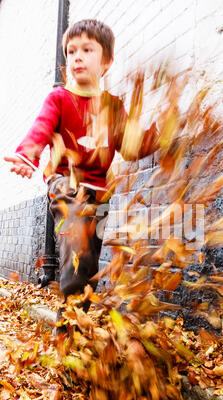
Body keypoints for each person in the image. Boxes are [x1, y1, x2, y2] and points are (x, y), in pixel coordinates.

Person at [4, 19, 160, 337]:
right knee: (77, 243)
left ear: (106, 61)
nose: (76, 57)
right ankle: (64, 336)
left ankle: (74, 325)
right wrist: (27, 154)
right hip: (64, 185)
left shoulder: (114, 108)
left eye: (87, 50)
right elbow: (41, 127)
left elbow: (131, 147)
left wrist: (161, 136)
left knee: (87, 265)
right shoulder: (59, 99)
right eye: (71, 51)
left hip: (99, 195)